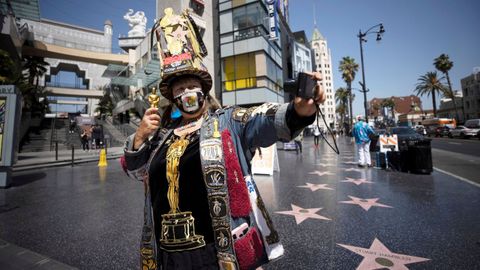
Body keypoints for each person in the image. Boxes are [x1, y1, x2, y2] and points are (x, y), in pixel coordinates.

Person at [123, 8, 326, 270]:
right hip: (166, 254)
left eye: (191, 86)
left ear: (203, 90)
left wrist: (299, 110)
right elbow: (137, 171)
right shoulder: (162, 136)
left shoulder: (227, 122)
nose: (186, 92)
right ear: (172, 97)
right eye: (179, 88)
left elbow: (265, 121)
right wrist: (140, 137)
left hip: (213, 252)